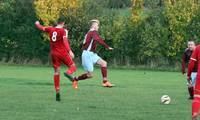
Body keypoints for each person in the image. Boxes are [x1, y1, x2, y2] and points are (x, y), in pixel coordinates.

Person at [35, 17, 76, 101]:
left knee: (56, 72)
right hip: (62, 53)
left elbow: (41, 28)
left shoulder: (50, 29)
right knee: (73, 66)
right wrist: (70, 51)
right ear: (63, 23)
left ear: (57, 22)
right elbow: (65, 41)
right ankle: (68, 73)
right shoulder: (63, 31)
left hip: (54, 54)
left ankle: (57, 91)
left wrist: (37, 24)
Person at [69, 19, 114, 88]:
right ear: (94, 25)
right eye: (98, 25)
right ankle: (75, 79)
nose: (98, 27)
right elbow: (97, 39)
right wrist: (107, 47)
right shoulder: (93, 31)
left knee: (104, 63)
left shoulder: (89, 32)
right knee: (90, 75)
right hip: (87, 55)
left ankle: (105, 82)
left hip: (91, 54)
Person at [187, 45, 200, 120]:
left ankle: (195, 114)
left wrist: (188, 75)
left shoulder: (198, 48)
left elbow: (191, 63)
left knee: (197, 97)